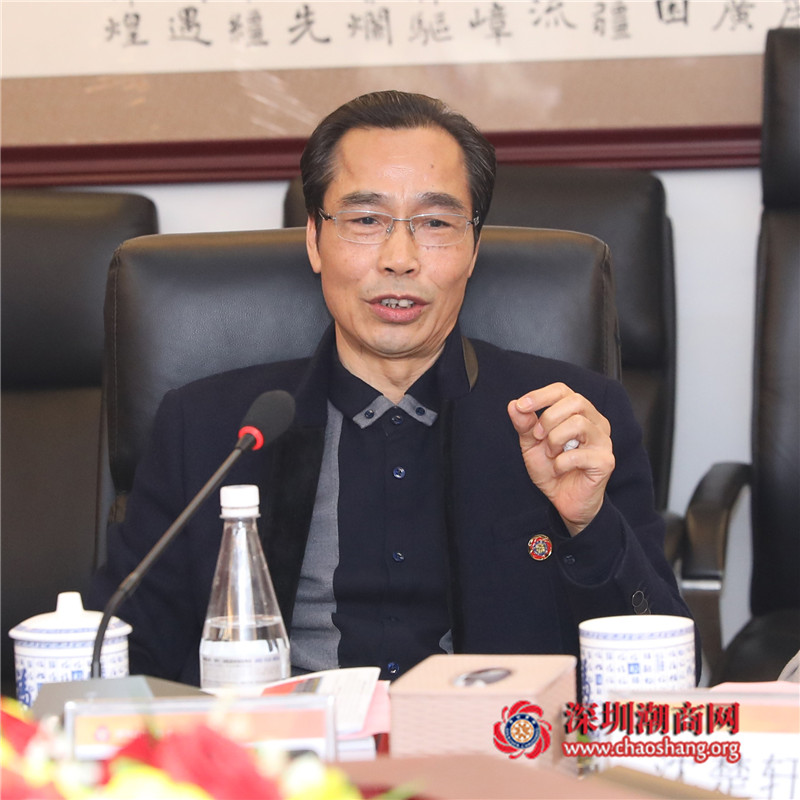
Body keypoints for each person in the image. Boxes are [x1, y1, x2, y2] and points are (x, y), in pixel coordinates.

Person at [90, 90, 695, 685]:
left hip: (495, 742)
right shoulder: (210, 429)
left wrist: (590, 526)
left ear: (473, 248)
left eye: (435, 223)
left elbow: (664, 677)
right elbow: (119, 660)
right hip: (285, 744)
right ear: (314, 240)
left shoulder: (568, 421)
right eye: (365, 220)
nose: (399, 258)